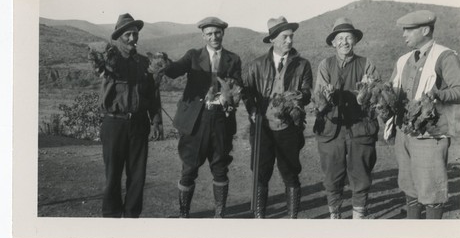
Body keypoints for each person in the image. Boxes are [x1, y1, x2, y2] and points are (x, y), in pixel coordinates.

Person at [164, 17, 242, 218]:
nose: (214, 37)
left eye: (217, 33)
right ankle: (184, 214)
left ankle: (219, 214)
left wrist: (231, 96)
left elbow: (238, 87)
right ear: (203, 36)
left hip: (221, 120)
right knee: (189, 168)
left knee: (220, 167)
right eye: (209, 34)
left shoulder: (233, 59)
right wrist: (162, 63)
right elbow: (174, 71)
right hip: (196, 121)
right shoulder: (193, 56)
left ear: (223, 33)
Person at [388, 10, 460, 219]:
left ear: (425, 30)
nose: (404, 34)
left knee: (431, 193)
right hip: (404, 133)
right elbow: (393, 90)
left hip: (431, 136)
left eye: (409, 30)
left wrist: (438, 95)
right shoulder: (403, 60)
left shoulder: (444, 56)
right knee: (410, 188)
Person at [243, 16, 312, 219]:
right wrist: (253, 110)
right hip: (262, 128)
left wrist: (295, 98)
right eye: (285, 37)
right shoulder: (255, 65)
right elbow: (247, 92)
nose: (290, 41)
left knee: (290, 173)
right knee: (261, 174)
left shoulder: (303, 65)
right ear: (272, 39)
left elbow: (307, 92)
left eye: (291, 36)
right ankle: (259, 218)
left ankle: (292, 219)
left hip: (289, 128)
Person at [94, 13, 163, 218]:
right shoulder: (109, 61)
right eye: (128, 35)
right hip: (114, 124)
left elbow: (153, 93)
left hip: (139, 124)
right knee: (113, 175)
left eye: (135, 34)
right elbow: (99, 67)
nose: (133, 38)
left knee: (137, 175)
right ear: (119, 37)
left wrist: (157, 119)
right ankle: (112, 218)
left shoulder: (144, 63)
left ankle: (132, 218)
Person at [313, 17, 380, 219]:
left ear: (355, 41)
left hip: (361, 127)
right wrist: (326, 97)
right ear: (333, 42)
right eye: (339, 38)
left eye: (348, 37)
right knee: (332, 176)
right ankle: (336, 217)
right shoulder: (325, 65)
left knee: (361, 175)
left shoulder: (366, 64)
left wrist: (368, 91)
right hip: (331, 128)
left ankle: (358, 218)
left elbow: (376, 92)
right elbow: (319, 97)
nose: (344, 42)